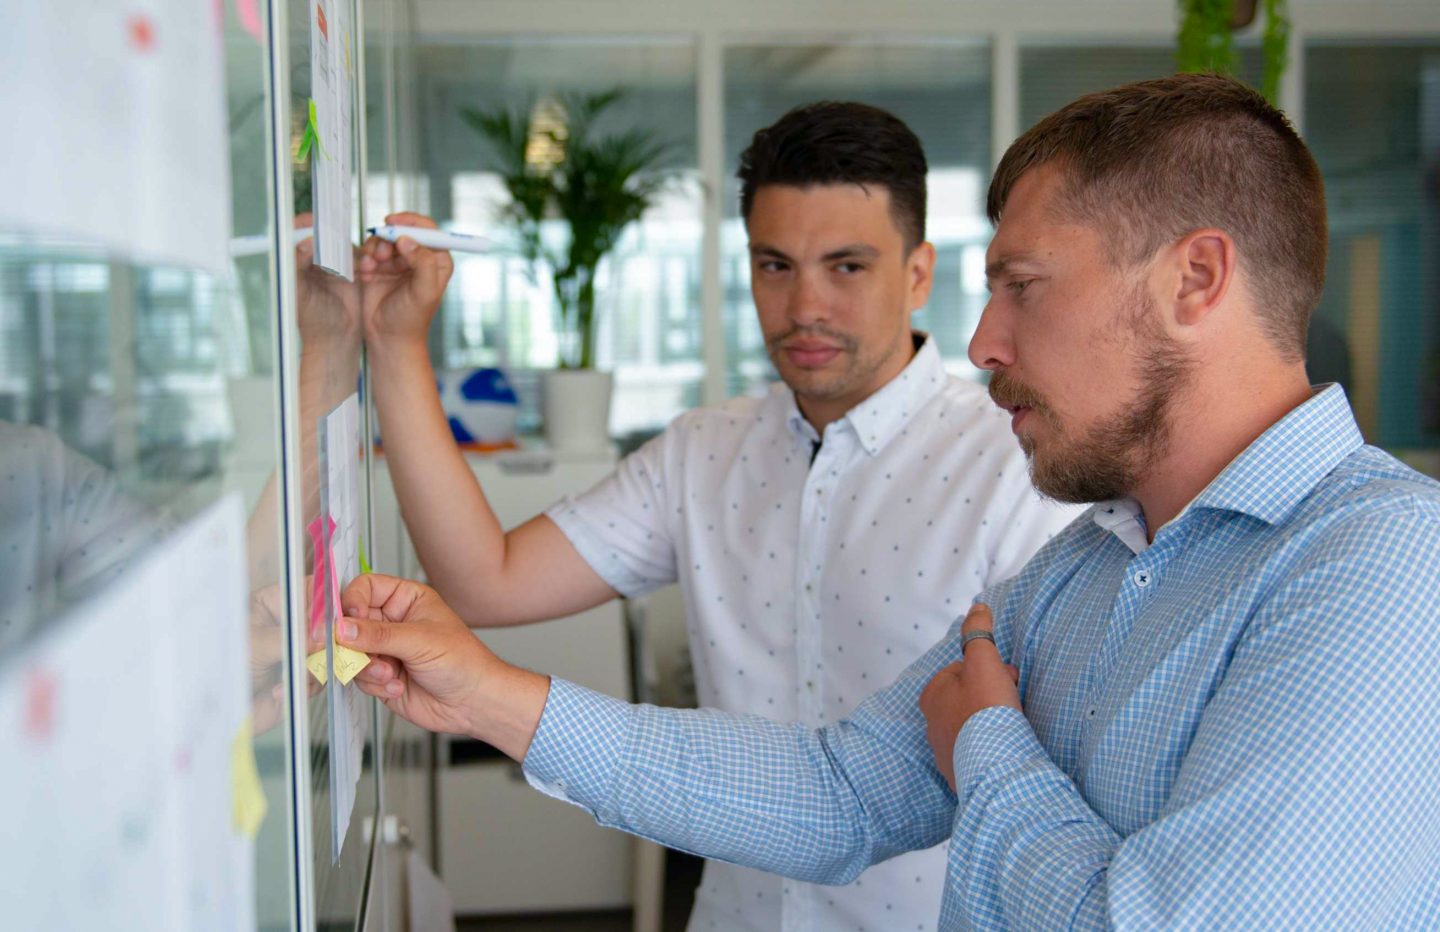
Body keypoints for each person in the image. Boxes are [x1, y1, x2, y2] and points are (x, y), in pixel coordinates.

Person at [345, 73, 1440, 927]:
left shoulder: (1383, 567)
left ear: (1197, 279)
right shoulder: (1087, 565)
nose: (982, 340)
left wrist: (992, 750)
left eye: (1024, 286)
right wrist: (486, 694)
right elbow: (835, 791)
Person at [361, 102, 1078, 930]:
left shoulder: (1017, 464)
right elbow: (484, 582)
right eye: (775, 266)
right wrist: (394, 342)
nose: (805, 305)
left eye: (847, 266)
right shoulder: (703, 452)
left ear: (917, 273)